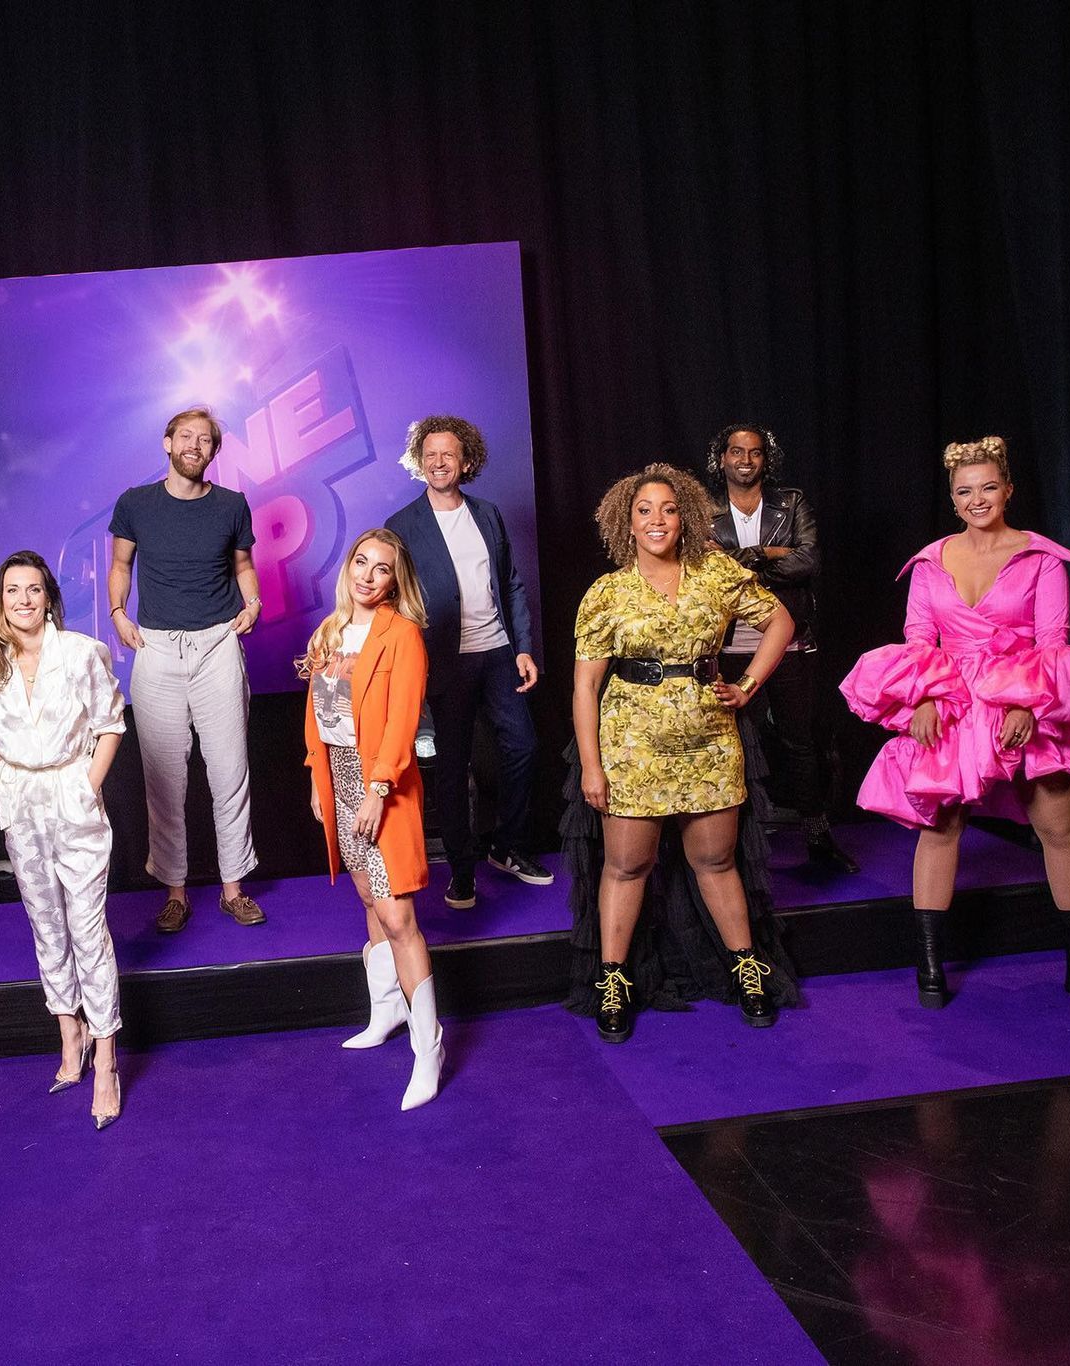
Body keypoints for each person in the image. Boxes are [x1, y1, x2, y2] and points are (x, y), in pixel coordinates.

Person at [841, 437, 1070, 1011]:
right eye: (964, 491)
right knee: (940, 827)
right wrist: (923, 698)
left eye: (987, 487)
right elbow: (918, 637)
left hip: (1019, 697)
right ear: (953, 499)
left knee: (1059, 825)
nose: (976, 499)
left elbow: (1052, 639)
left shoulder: (1040, 558)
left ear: (1007, 490)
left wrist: (1029, 705)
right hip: (954, 702)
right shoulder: (930, 561)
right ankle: (930, 967)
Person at [571, 464, 797, 1042]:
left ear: (686, 518)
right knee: (627, 866)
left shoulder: (715, 572)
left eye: (668, 509)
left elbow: (780, 622)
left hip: (709, 740)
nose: (657, 520)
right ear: (626, 522)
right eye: (644, 510)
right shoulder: (606, 592)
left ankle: (747, 970)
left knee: (716, 861)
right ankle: (613, 980)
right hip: (631, 744)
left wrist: (747, 685)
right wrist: (592, 767)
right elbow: (585, 687)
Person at [0, 551, 127, 1130]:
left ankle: (106, 1057)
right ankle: (69, 1034)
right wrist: (2, 787)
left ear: (49, 598)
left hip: (71, 796)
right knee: (46, 924)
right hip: (22, 804)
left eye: (34, 589)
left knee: (87, 928)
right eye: (13, 590)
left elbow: (110, 723)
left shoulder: (82, 653)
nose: (24, 600)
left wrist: (87, 786)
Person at [108, 407, 266, 932]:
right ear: (168, 442)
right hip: (156, 646)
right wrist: (117, 614)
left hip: (218, 642)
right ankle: (175, 893)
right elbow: (121, 564)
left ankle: (233, 888)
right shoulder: (135, 503)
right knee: (163, 777)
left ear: (214, 451)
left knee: (230, 770)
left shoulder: (231, 504)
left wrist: (253, 603)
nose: (194, 445)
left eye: (205, 440)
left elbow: (244, 566)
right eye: (186, 436)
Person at [301, 528, 442, 1110]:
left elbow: (403, 720)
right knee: (368, 899)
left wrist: (377, 789)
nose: (367, 575)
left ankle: (429, 1047)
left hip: (380, 782)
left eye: (381, 568)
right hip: (338, 777)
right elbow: (318, 716)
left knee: (398, 915)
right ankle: (385, 1011)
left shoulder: (402, 634)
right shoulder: (330, 631)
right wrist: (320, 780)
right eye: (361, 562)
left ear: (394, 581)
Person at [385, 415, 551, 909]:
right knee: (453, 769)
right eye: (430, 455)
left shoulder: (488, 513)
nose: (439, 462)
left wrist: (523, 646)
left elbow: (511, 583)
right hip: (444, 662)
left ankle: (507, 846)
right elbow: (395, 601)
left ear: (466, 461)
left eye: (448, 454)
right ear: (420, 462)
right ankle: (462, 870)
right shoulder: (401, 525)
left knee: (523, 747)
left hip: (498, 652)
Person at [704, 423, 859, 874]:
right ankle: (738, 847)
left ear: (765, 459)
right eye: (736, 452)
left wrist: (746, 559)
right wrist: (774, 552)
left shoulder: (790, 502)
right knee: (732, 746)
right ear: (722, 458)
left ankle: (818, 838)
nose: (745, 460)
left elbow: (809, 560)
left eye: (754, 452)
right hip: (729, 645)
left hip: (791, 642)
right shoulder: (706, 509)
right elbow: (704, 567)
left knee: (801, 743)